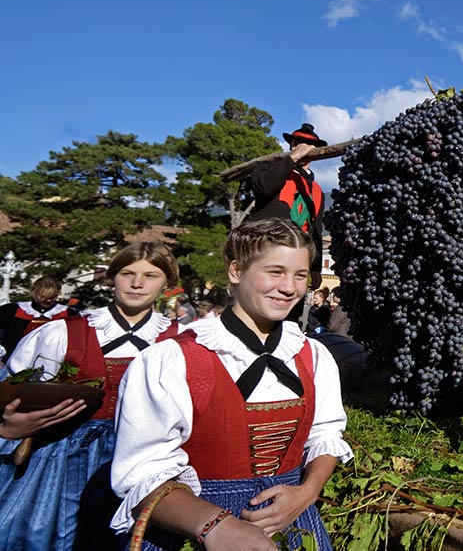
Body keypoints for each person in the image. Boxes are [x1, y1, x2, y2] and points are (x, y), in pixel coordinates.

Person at [110, 219, 352, 550]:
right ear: (236, 271)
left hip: (294, 523)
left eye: (300, 275)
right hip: (194, 528)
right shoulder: (172, 360)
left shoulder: (312, 354)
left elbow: (325, 435)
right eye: (275, 271)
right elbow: (141, 473)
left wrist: (306, 492)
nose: (289, 287)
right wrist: (213, 525)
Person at [0, 242, 181, 550]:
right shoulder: (62, 332)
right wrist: (12, 424)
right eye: (127, 273)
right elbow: (11, 391)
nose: (137, 284)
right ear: (112, 277)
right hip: (59, 459)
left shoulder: (178, 341)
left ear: (168, 284)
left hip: (143, 463)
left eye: (150, 275)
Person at [248, 123, 328, 292]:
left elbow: (316, 232)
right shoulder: (268, 168)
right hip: (266, 253)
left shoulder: (317, 191)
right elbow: (264, 187)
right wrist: (293, 158)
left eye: (307, 145)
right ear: (291, 145)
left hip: (297, 261)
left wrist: (315, 267)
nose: (301, 147)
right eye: (296, 142)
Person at [0, 275, 75, 358]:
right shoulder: (12, 310)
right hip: (12, 359)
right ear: (34, 292)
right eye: (43, 297)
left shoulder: (67, 314)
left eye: (53, 297)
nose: (48, 300)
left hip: (51, 361)